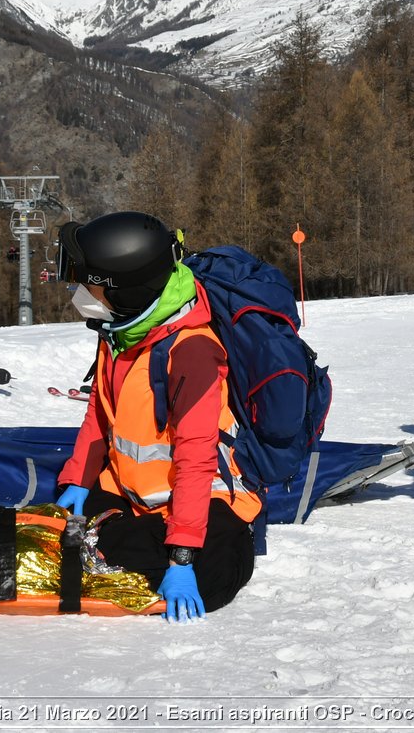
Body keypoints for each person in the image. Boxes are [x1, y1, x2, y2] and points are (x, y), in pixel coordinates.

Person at [54, 211, 258, 622]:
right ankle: (114, 537)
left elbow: (197, 458)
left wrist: (182, 557)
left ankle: (140, 546)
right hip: (132, 494)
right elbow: (100, 411)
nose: (81, 293)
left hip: (200, 497)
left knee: (211, 579)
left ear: (126, 290)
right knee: (59, 534)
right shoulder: (120, 330)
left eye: (89, 284)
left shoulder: (191, 351)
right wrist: (78, 479)